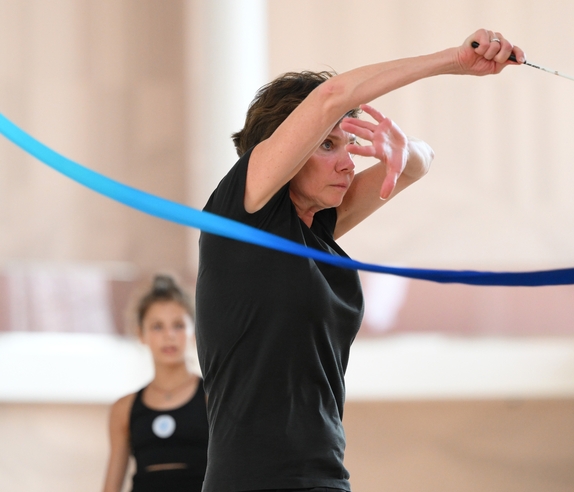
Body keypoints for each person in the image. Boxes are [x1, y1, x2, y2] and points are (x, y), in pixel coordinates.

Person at [196, 29, 525, 492]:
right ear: (283, 153)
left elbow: (419, 163)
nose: (348, 163)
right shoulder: (244, 216)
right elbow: (333, 95)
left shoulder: (318, 232)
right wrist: (454, 61)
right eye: (328, 145)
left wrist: (401, 149)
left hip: (326, 478)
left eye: (348, 145)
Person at [103, 275, 208, 492]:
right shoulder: (124, 409)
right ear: (141, 334)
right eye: (157, 327)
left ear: (194, 333)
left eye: (178, 325)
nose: (169, 335)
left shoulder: (212, 399)